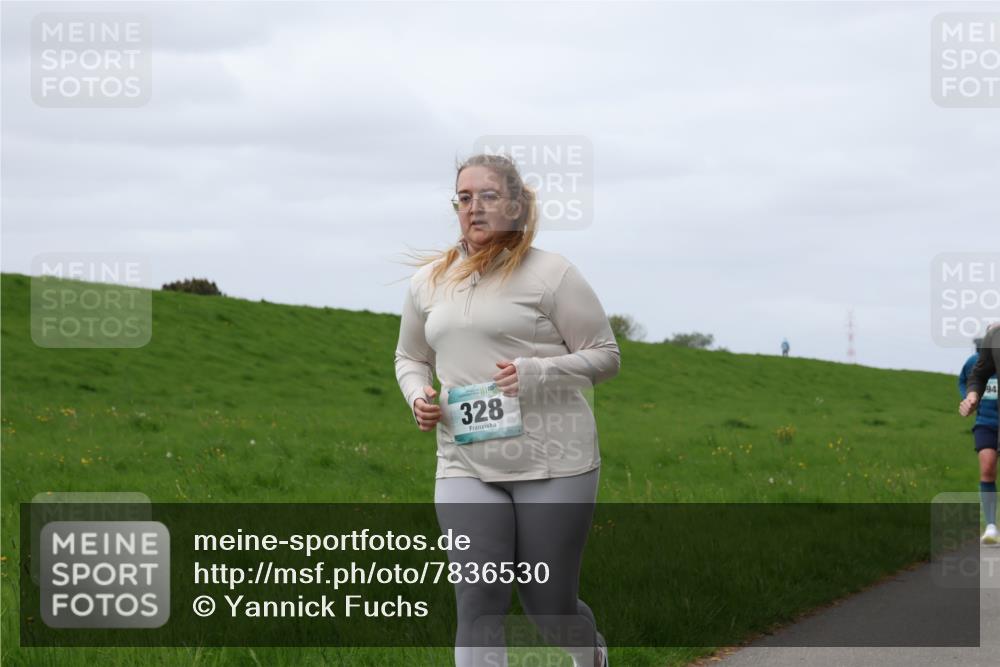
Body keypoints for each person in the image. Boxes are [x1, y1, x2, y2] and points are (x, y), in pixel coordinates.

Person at [394, 153, 620, 667]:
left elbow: (607, 357)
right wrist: (418, 397)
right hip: (465, 462)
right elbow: (409, 356)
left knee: (548, 608)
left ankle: (592, 656)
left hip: (554, 463)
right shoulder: (429, 282)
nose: (473, 208)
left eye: (488, 196)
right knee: (478, 604)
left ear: (517, 206)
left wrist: (539, 371)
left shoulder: (553, 274)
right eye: (464, 198)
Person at [959, 323, 1000, 546]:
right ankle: (991, 525)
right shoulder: (978, 359)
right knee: (987, 468)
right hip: (987, 421)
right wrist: (971, 398)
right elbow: (972, 378)